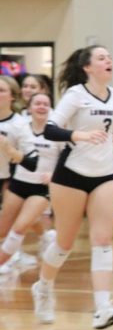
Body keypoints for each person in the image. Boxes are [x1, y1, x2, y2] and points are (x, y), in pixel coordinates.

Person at [31, 45, 113, 329]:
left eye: (109, 56)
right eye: (102, 57)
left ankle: (103, 307)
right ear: (88, 67)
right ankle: (43, 288)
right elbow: (51, 128)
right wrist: (79, 134)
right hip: (71, 174)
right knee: (65, 242)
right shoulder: (76, 94)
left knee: (103, 240)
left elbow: (111, 124)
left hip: (105, 173)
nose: (109, 60)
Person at [0, 90, 52, 273]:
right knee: (2, 230)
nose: (41, 106)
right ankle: (44, 238)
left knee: (19, 228)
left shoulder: (57, 131)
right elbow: (11, 154)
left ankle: (5, 261)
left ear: (50, 108)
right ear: (29, 108)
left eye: (46, 103)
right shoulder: (20, 127)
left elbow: (67, 159)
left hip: (41, 188)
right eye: (37, 103)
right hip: (18, 184)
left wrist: (53, 175)